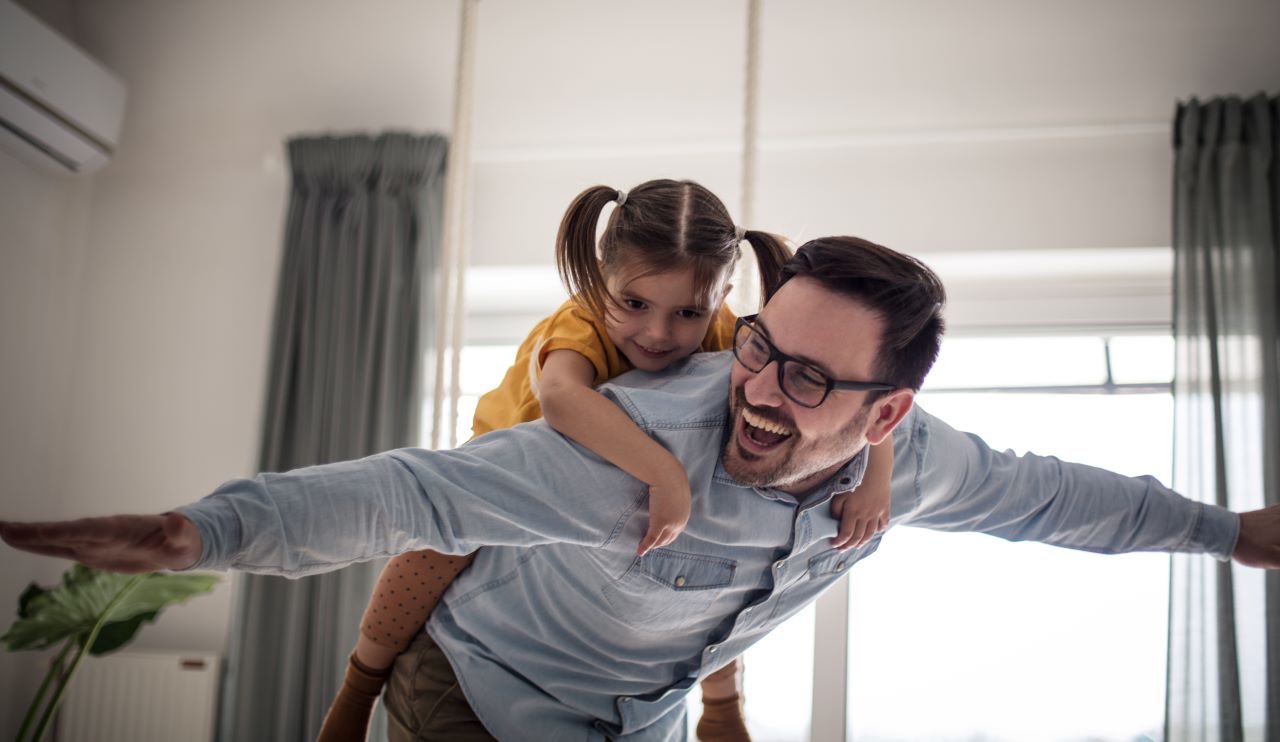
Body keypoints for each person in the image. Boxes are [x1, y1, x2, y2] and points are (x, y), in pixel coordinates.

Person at [5, 236, 1280, 742]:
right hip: (481, 693)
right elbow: (411, 494)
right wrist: (205, 529)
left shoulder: (919, 458)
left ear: (888, 412)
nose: (758, 387)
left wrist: (1228, 534)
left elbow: (1063, 501)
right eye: (757, 347)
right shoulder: (626, 456)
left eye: (809, 380)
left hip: (644, 717)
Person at [317, 179, 895, 742]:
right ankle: (358, 685)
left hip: (623, 482)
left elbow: (857, 389)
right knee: (439, 545)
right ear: (600, 281)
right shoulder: (583, 319)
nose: (658, 332)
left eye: (689, 313)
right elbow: (562, 400)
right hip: (519, 454)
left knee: (718, 562)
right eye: (635, 303)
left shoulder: (731, 336)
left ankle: (720, 704)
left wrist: (875, 471)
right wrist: (663, 472)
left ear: (721, 298)